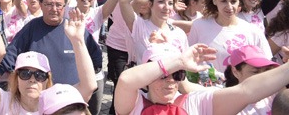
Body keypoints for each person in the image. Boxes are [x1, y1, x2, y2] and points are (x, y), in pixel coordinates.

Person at [0, 9, 96, 114]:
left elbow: (89, 86)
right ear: (16, 78)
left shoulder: (57, 101)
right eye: (25, 74)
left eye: (40, 75)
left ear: (47, 79)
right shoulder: (4, 102)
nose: (32, 79)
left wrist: (78, 41)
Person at [114, 42, 289, 115]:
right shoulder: (134, 105)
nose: (171, 81)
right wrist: (179, 61)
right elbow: (125, 81)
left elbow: (246, 91)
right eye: (162, 75)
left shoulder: (196, 102)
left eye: (178, 74)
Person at [0, 0, 102, 86]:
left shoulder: (75, 29)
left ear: (65, 6)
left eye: (59, 5)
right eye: (49, 4)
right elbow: (10, 56)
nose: (54, 9)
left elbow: (96, 60)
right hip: (39, 97)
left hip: (70, 98)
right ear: (41, 5)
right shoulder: (32, 27)